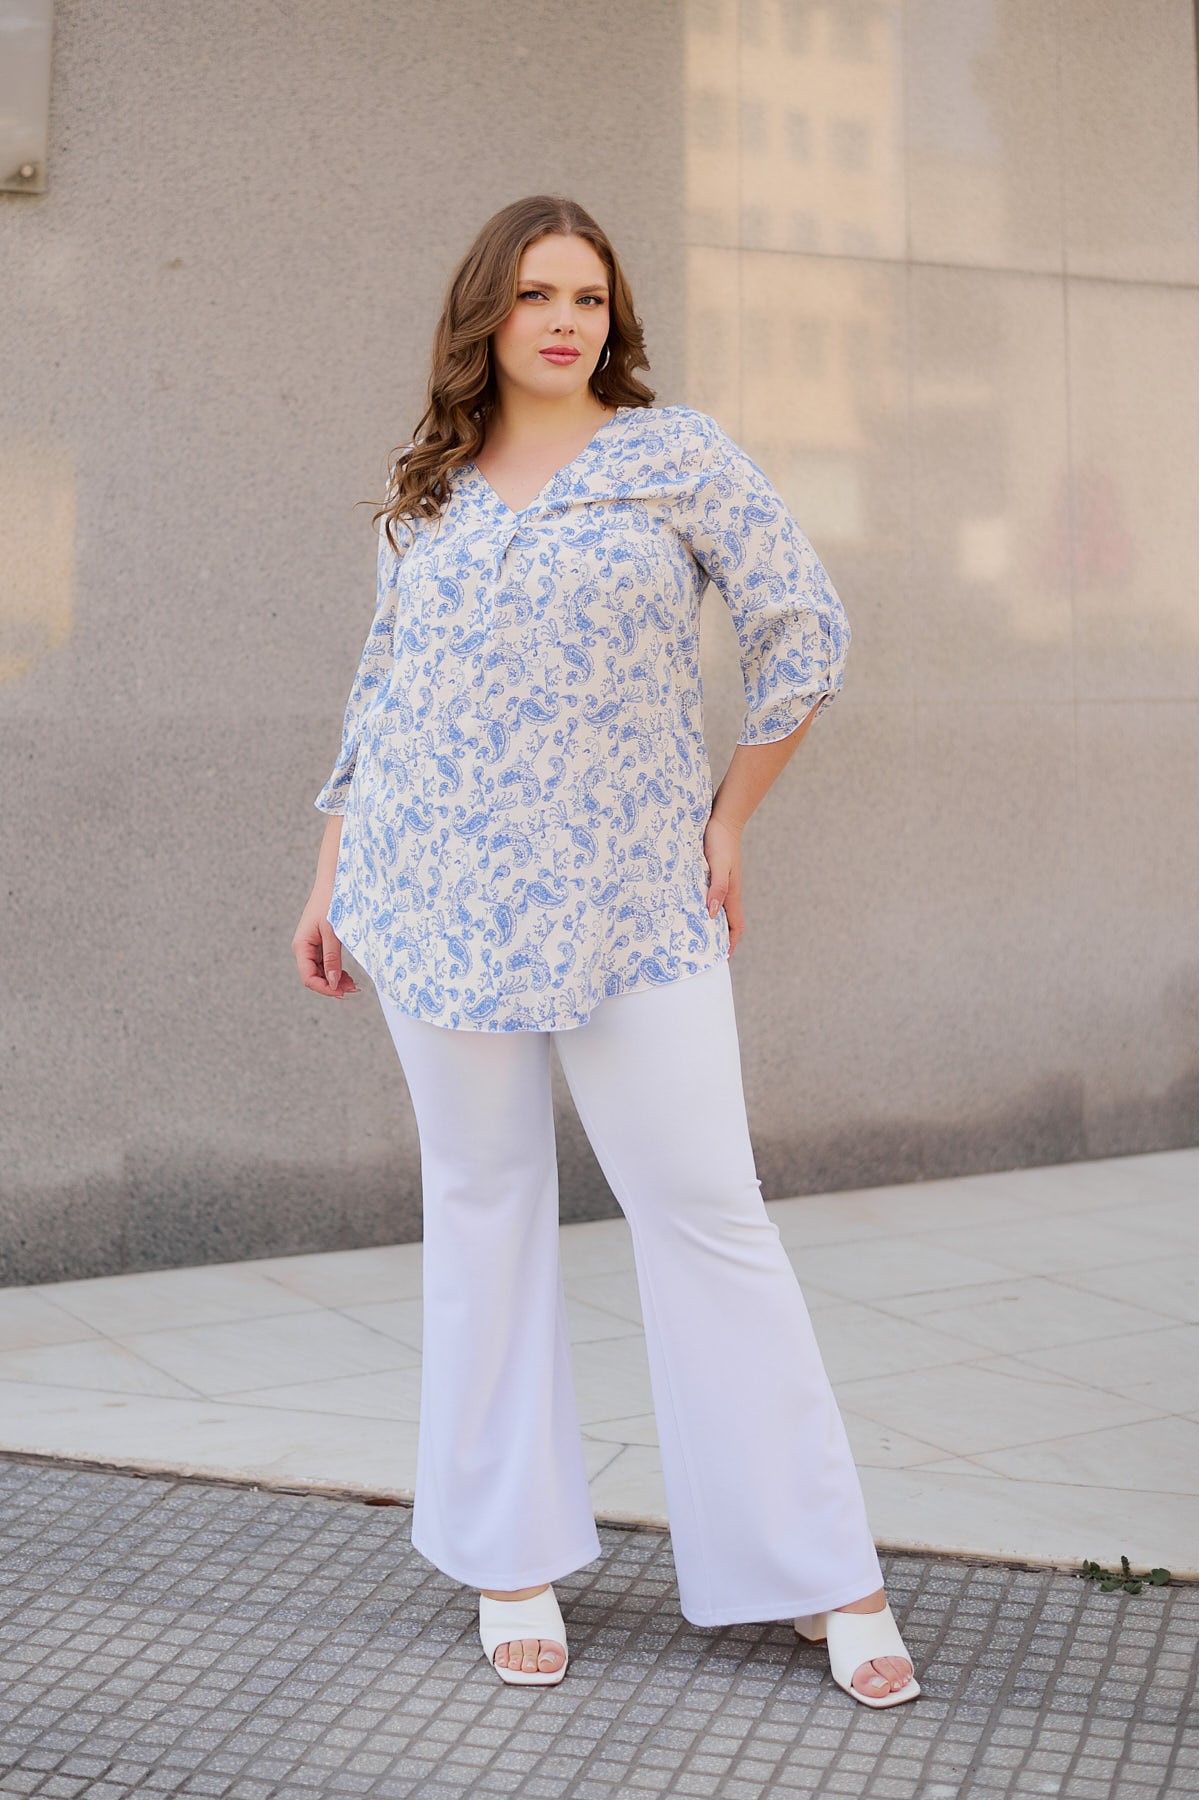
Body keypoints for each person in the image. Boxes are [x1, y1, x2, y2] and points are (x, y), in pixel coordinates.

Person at [292, 194, 920, 1708]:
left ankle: (820, 1566)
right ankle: (507, 1553)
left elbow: (803, 627)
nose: (564, 320)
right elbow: (382, 696)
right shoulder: (426, 495)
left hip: (636, 901)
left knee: (707, 1206)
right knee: (484, 1201)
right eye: (533, 295)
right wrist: (327, 879)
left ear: (614, 317)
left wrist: (731, 816)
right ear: (484, 316)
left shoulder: (675, 456)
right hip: (434, 893)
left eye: (586, 296)